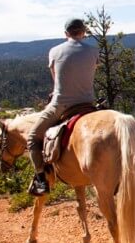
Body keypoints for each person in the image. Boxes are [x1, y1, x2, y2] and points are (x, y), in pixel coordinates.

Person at [26, 18, 98, 196]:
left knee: (32, 138)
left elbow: (56, 79)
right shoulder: (94, 50)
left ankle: (41, 180)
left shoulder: (54, 51)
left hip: (61, 104)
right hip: (88, 102)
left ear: (66, 33)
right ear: (83, 32)